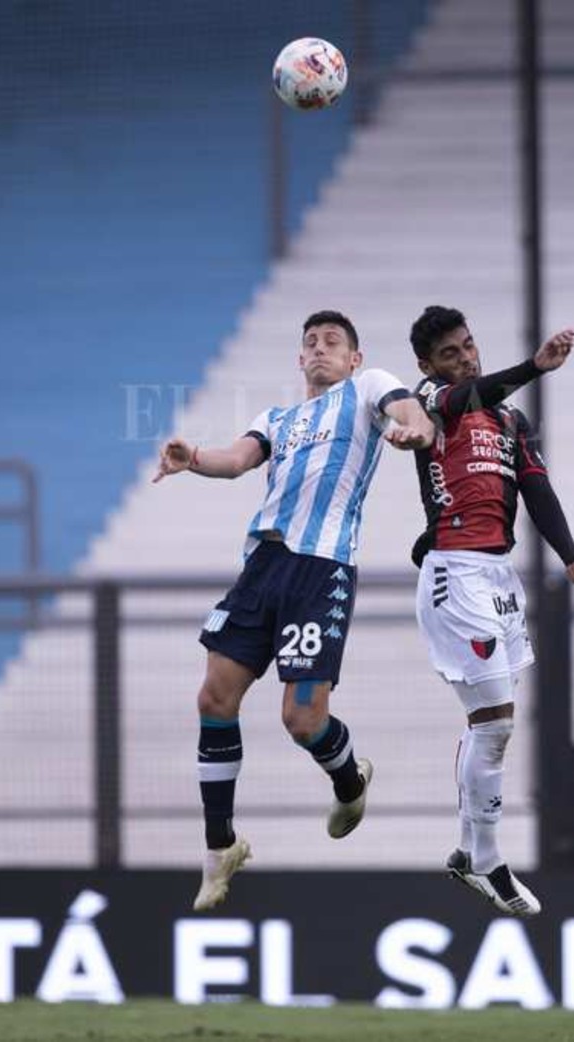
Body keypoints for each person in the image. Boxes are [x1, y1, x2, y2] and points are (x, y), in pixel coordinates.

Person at [153, 309, 435, 911]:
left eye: (332, 341)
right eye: (309, 342)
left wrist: (414, 428)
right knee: (213, 698)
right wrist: (192, 457)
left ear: (354, 358)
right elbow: (236, 459)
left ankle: (349, 779)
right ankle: (219, 847)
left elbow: (409, 410)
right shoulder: (278, 419)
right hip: (263, 567)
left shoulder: (368, 387)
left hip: (320, 567)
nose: (319, 348)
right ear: (299, 359)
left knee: (302, 721)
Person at [406, 305, 574, 918]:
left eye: (468, 346)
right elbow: (464, 395)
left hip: (498, 578)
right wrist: (534, 366)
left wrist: (571, 558)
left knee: (490, 726)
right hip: (455, 578)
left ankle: (472, 852)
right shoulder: (429, 399)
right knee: (495, 723)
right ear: (428, 366)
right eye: (450, 353)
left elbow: (537, 489)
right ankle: (486, 859)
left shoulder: (511, 421)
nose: (465, 357)